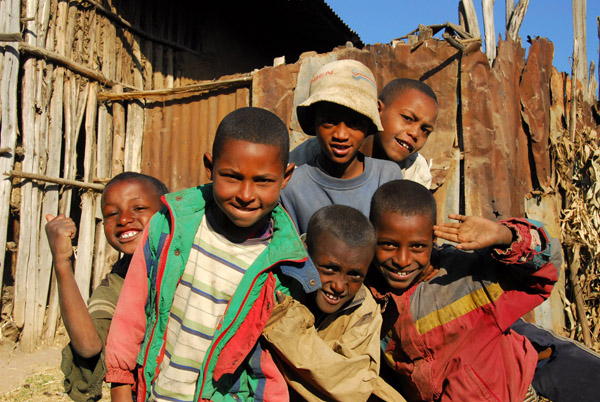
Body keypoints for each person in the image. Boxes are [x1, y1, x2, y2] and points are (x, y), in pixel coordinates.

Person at [104, 107, 321, 402]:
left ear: (285, 177)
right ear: (210, 167)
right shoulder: (169, 226)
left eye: (263, 181)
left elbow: (268, 365)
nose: (245, 194)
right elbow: (131, 312)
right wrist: (119, 385)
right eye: (231, 176)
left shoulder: (282, 266)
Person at [367, 179, 558, 402]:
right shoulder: (368, 289)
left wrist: (504, 235)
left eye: (418, 246)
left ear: (434, 238)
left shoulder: (470, 275)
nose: (402, 260)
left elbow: (547, 268)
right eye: (388, 244)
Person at [45, 172, 168, 402]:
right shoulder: (116, 284)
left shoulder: (195, 261)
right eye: (112, 213)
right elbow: (89, 346)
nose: (123, 220)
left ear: (168, 212)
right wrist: (62, 263)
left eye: (138, 208)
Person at [262, 205, 405, 402]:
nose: (339, 286)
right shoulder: (277, 282)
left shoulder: (364, 311)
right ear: (306, 253)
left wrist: (287, 329)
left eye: (355, 275)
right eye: (329, 269)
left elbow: (353, 385)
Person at [280, 59, 403, 234]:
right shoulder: (292, 186)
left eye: (355, 123)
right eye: (329, 122)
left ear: (368, 126)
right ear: (314, 123)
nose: (341, 135)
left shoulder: (386, 177)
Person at [290, 78, 436, 188]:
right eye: (408, 118)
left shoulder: (416, 172)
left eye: (425, 130)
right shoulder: (312, 155)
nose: (415, 133)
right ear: (378, 110)